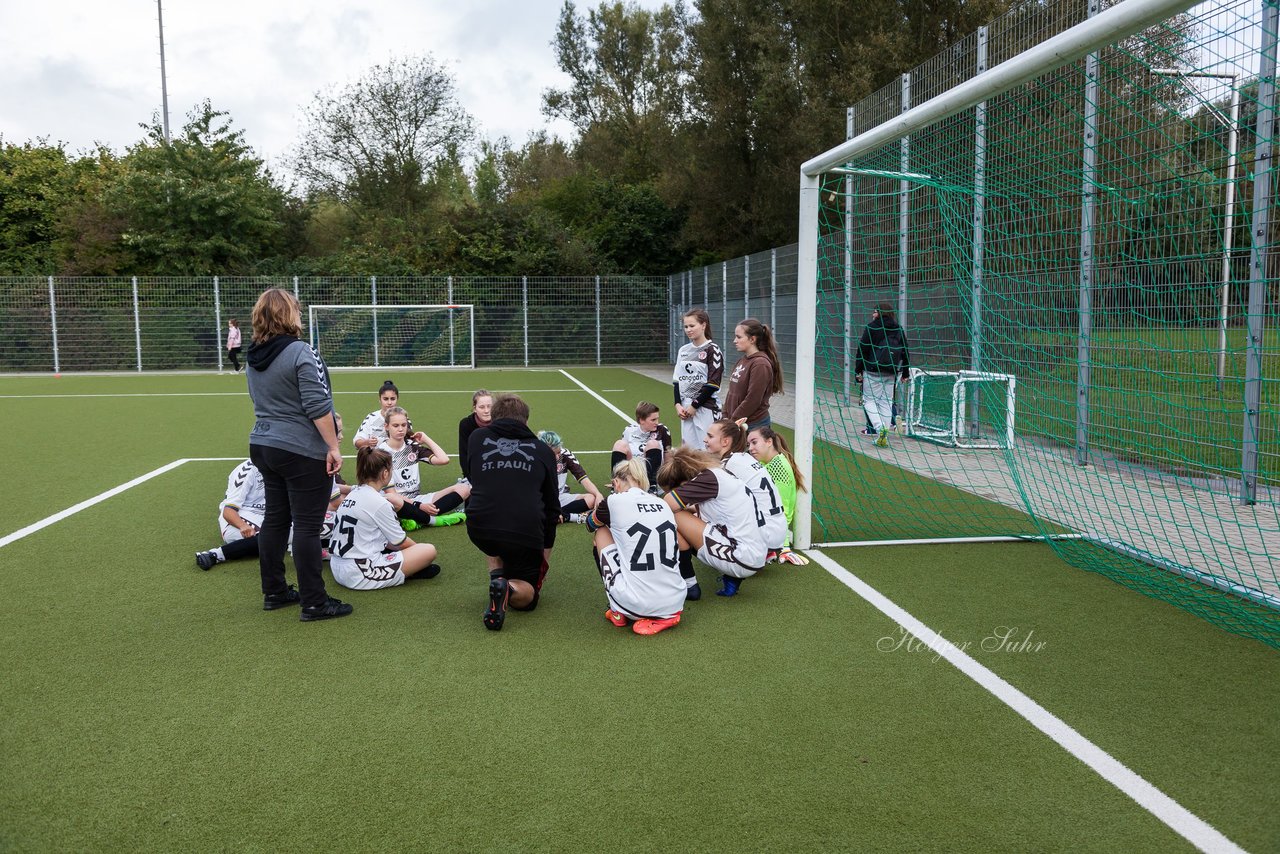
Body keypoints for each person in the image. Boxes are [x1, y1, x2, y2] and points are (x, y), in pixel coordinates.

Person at [245, 287, 352, 621]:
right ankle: (314, 602)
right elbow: (318, 406)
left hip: (263, 443)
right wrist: (333, 447)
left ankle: (275, 591)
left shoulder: (253, 354)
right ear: (289, 315)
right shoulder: (301, 352)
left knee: (276, 518)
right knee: (307, 525)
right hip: (299, 448)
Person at [464, 393, 560, 631]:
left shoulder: (476, 438)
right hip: (524, 532)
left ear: (492, 419)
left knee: (494, 513)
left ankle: (497, 578)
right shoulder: (543, 450)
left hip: (480, 527)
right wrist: (543, 560)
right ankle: (509, 588)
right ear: (525, 421)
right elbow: (551, 507)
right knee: (529, 598)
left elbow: (474, 475)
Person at [585, 458, 685, 635]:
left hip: (638, 604)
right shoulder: (661, 503)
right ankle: (665, 614)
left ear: (616, 482)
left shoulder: (614, 500)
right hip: (677, 599)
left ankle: (618, 610)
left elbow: (590, 524)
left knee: (601, 532)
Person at [657, 446, 769, 598]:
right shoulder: (718, 474)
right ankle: (731, 577)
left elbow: (667, 504)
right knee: (689, 515)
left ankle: (689, 585)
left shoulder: (708, 478)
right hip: (754, 554)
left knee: (670, 515)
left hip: (742, 557)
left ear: (683, 483)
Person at [327, 447, 441, 590]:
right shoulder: (379, 502)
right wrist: (418, 556)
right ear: (385, 473)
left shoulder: (354, 494)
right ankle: (411, 570)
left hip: (337, 566)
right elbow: (402, 542)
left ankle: (408, 569)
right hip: (359, 572)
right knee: (428, 550)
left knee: (389, 544)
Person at [703, 418, 788, 561]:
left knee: (704, 506)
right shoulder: (744, 459)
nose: (705, 440)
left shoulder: (727, 465)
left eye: (710, 436)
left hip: (764, 535)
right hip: (779, 531)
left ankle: (738, 556)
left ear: (726, 441)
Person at [377, 406, 468, 528]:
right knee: (393, 500)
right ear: (386, 426)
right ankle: (431, 519)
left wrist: (425, 439)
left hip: (417, 499)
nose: (400, 429)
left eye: (404, 425)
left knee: (464, 488)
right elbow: (392, 494)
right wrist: (418, 505)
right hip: (396, 502)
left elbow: (444, 459)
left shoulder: (413, 447)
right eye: (396, 425)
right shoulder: (381, 453)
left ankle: (418, 519)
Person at [746, 426, 810, 565]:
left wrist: (784, 545)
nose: (750, 448)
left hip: (771, 530)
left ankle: (770, 548)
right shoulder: (767, 461)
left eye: (754, 442)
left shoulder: (778, 467)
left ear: (769, 442)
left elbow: (783, 510)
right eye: (748, 444)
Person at [854, 303, 911, 448]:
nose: (873, 314)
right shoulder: (898, 329)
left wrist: (858, 370)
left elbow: (862, 350)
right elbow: (905, 351)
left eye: (874, 311)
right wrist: (905, 373)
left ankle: (880, 428)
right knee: (886, 402)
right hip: (891, 371)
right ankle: (883, 433)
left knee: (869, 401)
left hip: (873, 370)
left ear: (879, 313)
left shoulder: (872, 327)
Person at [672, 308, 723, 451]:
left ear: (703, 325)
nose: (688, 330)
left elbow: (713, 383)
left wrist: (694, 406)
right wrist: (677, 404)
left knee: (709, 450)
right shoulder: (683, 350)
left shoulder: (712, 349)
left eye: (692, 326)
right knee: (689, 451)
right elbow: (677, 380)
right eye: (686, 326)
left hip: (705, 406)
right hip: (686, 408)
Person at [722, 318, 784, 432]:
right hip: (735, 422)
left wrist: (732, 420)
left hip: (753, 425)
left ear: (752, 339)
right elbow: (731, 392)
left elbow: (753, 399)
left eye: (739, 337)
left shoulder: (760, 364)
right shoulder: (742, 360)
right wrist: (725, 415)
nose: (734, 341)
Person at [538, 430, 604, 524]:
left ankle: (559, 515)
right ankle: (569, 516)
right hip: (542, 500)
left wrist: (598, 494)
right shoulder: (535, 459)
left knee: (591, 499)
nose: (557, 457)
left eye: (559, 452)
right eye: (555, 453)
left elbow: (583, 478)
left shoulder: (565, 455)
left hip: (560, 497)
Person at [611, 401, 672, 491]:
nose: (657, 422)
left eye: (657, 419)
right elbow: (623, 460)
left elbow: (668, 457)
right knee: (619, 444)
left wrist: (669, 480)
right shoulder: (629, 430)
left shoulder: (663, 431)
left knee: (653, 443)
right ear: (641, 420)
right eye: (653, 420)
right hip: (633, 475)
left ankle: (652, 487)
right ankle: (617, 484)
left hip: (653, 475)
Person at [354, 380, 401, 450]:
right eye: (385, 399)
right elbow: (357, 442)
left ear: (397, 399)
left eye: (393, 399)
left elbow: (408, 442)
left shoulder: (402, 418)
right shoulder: (371, 418)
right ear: (380, 400)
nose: (389, 402)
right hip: (375, 459)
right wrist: (367, 442)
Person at [457, 389, 494, 478]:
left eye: (489, 406)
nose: (486, 411)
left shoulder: (502, 423)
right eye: (482, 407)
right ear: (474, 409)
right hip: (476, 471)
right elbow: (464, 454)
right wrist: (470, 478)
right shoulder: (466, 424)